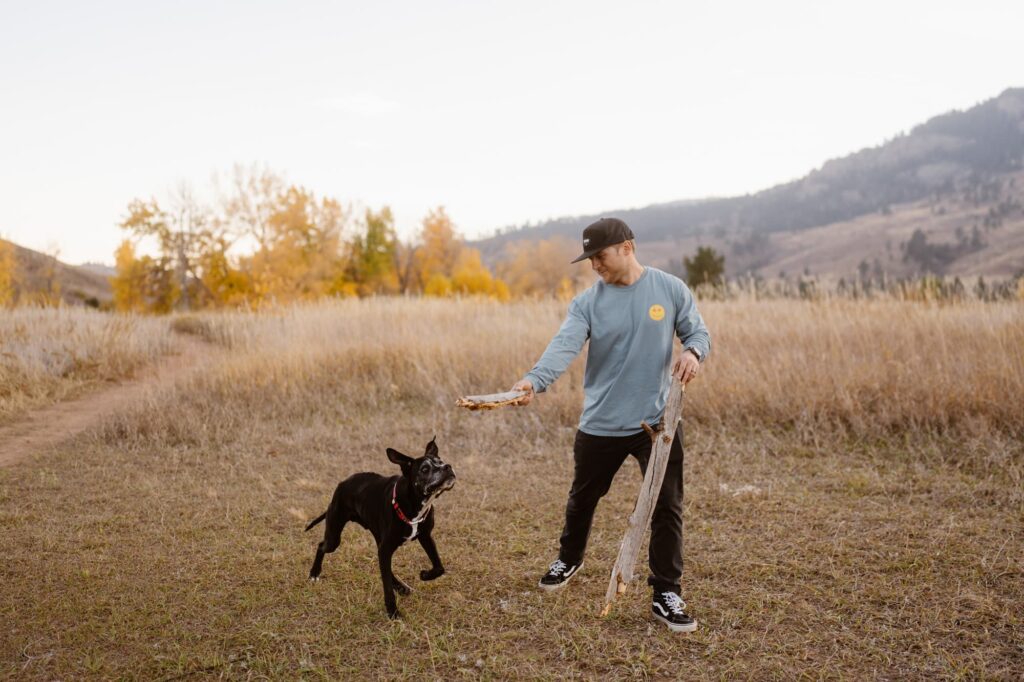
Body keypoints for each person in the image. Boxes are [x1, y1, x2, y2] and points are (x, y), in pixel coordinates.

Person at [511, 217, 710, 633]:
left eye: (599, 256)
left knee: (665, 505)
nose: (594, 265)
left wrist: (692, 353)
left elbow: (698, 333)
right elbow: (563, 346)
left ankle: (665, 592)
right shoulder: (587, 303)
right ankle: (570, 558)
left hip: (656, 423)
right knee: (582, 498)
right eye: (589, 259)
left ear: (627, 247)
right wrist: (534, 380)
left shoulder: (670, 289)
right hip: (600, 423)